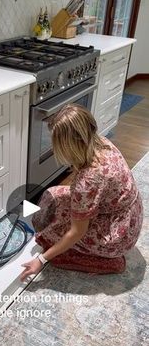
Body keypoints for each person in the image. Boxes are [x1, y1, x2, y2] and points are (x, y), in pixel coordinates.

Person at [20, 104, 143, 281]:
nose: (54, 148)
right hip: (129, 216)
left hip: (118, 236)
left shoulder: (88, 180)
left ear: (70, 145)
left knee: (48, 237)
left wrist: (41, 259)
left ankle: (110, 262)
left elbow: (77, 232)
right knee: (52, 195)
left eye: (56, 143)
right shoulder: (100, 142)